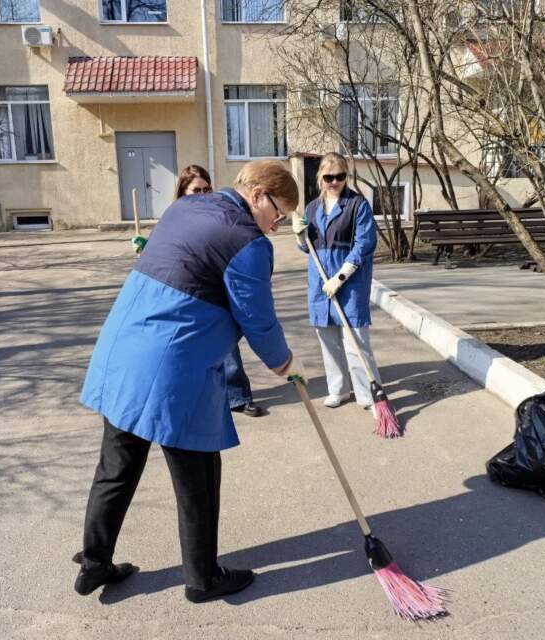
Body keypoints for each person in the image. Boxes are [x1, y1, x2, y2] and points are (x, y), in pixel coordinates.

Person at [75, 160, 304, 601]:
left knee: (117, 466)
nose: (275, 226)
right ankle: (202, 579)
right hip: (174, 369)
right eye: (277, 214)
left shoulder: (185, 208)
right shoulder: (247, 242)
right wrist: (284, 363)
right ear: (256, 194)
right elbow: (256, 317)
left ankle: (93, 562)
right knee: (197, 474)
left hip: (124, 351)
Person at [293, 152, 383, 411]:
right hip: (320, 280)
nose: (334, 182)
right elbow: (307, 248)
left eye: (340, 177)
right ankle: (339, 389)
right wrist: (300, 237)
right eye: (329, 177)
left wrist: (341, 276)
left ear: (346, 176)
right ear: (320, 176)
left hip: (350, 281)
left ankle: (368, 395)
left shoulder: (357, 205)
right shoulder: (312, 208)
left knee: (356, 341)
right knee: (328, 338)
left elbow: (364, 244)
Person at [175, 164, 266, 418]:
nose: (203, 194)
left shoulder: (218, 213)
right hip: (190, 290)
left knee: (226, 341)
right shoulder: (177, 215)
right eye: (196, 190)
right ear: (183, 192)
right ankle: (200, 396)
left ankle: (237, 395)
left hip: (218, 286)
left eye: (207, 189)